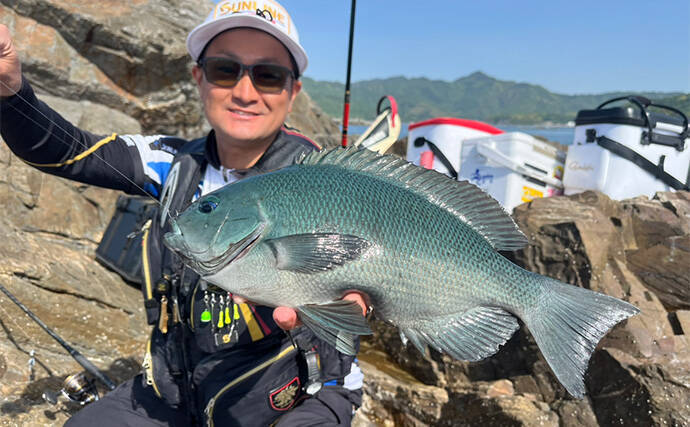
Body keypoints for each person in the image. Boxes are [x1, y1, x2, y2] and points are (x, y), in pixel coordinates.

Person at [0, 1, 368, 425]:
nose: (245, 92)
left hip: (299, 395)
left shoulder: (328, 183)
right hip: (173, 390)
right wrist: (10, 91)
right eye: (224, 70)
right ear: (198, 77)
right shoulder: (172, 162)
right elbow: (68, 152)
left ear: (293, 91)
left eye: (268, 75)